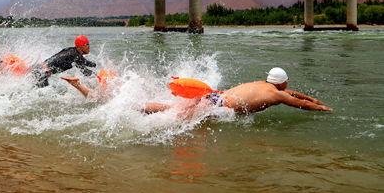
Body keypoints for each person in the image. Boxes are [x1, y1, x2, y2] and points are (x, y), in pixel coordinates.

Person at [142, 67, 333, 115]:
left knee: (172, 109)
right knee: (172, 114)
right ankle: (141, 109)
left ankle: (142, 106)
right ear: (282, 83)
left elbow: (294, 94)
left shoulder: (263, 84)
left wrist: (313, 99)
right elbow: (301, 104)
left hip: (216, 97)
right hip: (219, 107)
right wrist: (322, 108)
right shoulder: (278, 94)